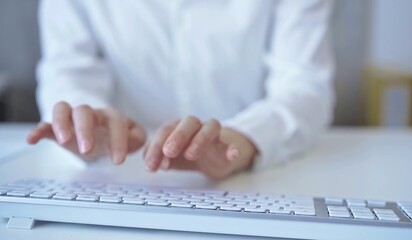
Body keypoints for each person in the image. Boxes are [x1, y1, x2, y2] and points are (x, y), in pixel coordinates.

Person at [27, 0, 335, 180]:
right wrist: (84, 123)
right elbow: (66, 70)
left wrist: (246, 137)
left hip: (253, 178)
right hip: (117, 177)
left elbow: (305, 85)